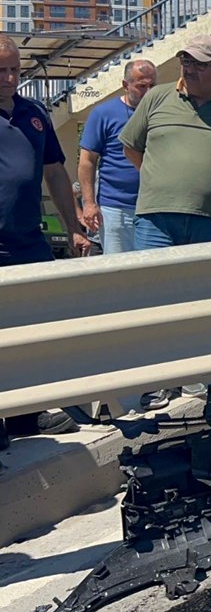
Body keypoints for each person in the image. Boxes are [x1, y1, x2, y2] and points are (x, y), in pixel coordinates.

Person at [119, 33, 211, 410]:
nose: (189, 68)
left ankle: (196, 376)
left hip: (210, 222)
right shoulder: (157, 97)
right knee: (155, 302)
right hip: (156, 218)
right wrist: (161, 180)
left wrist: (210, 188)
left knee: (203, 304)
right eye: (186, 61)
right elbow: (131, 145)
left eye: (198, 63)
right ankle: (158, 382)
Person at [0, 34, 87, 445]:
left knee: (31, 331)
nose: (9, 77)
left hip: (27, 240)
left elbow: (54, 172)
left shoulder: (33, 113)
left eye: (15, 69)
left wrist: (73, 226)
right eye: (1, 69)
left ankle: (22, 415)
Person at [77, 60, 157, 254]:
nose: (148, 92)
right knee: (119, 270)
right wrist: (89, 204)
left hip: (155, 206)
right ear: (125, 85)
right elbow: (87, 161)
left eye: (152, 86)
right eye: (141, 86)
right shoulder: (103, 114)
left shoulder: (162, 113)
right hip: (116, 207)